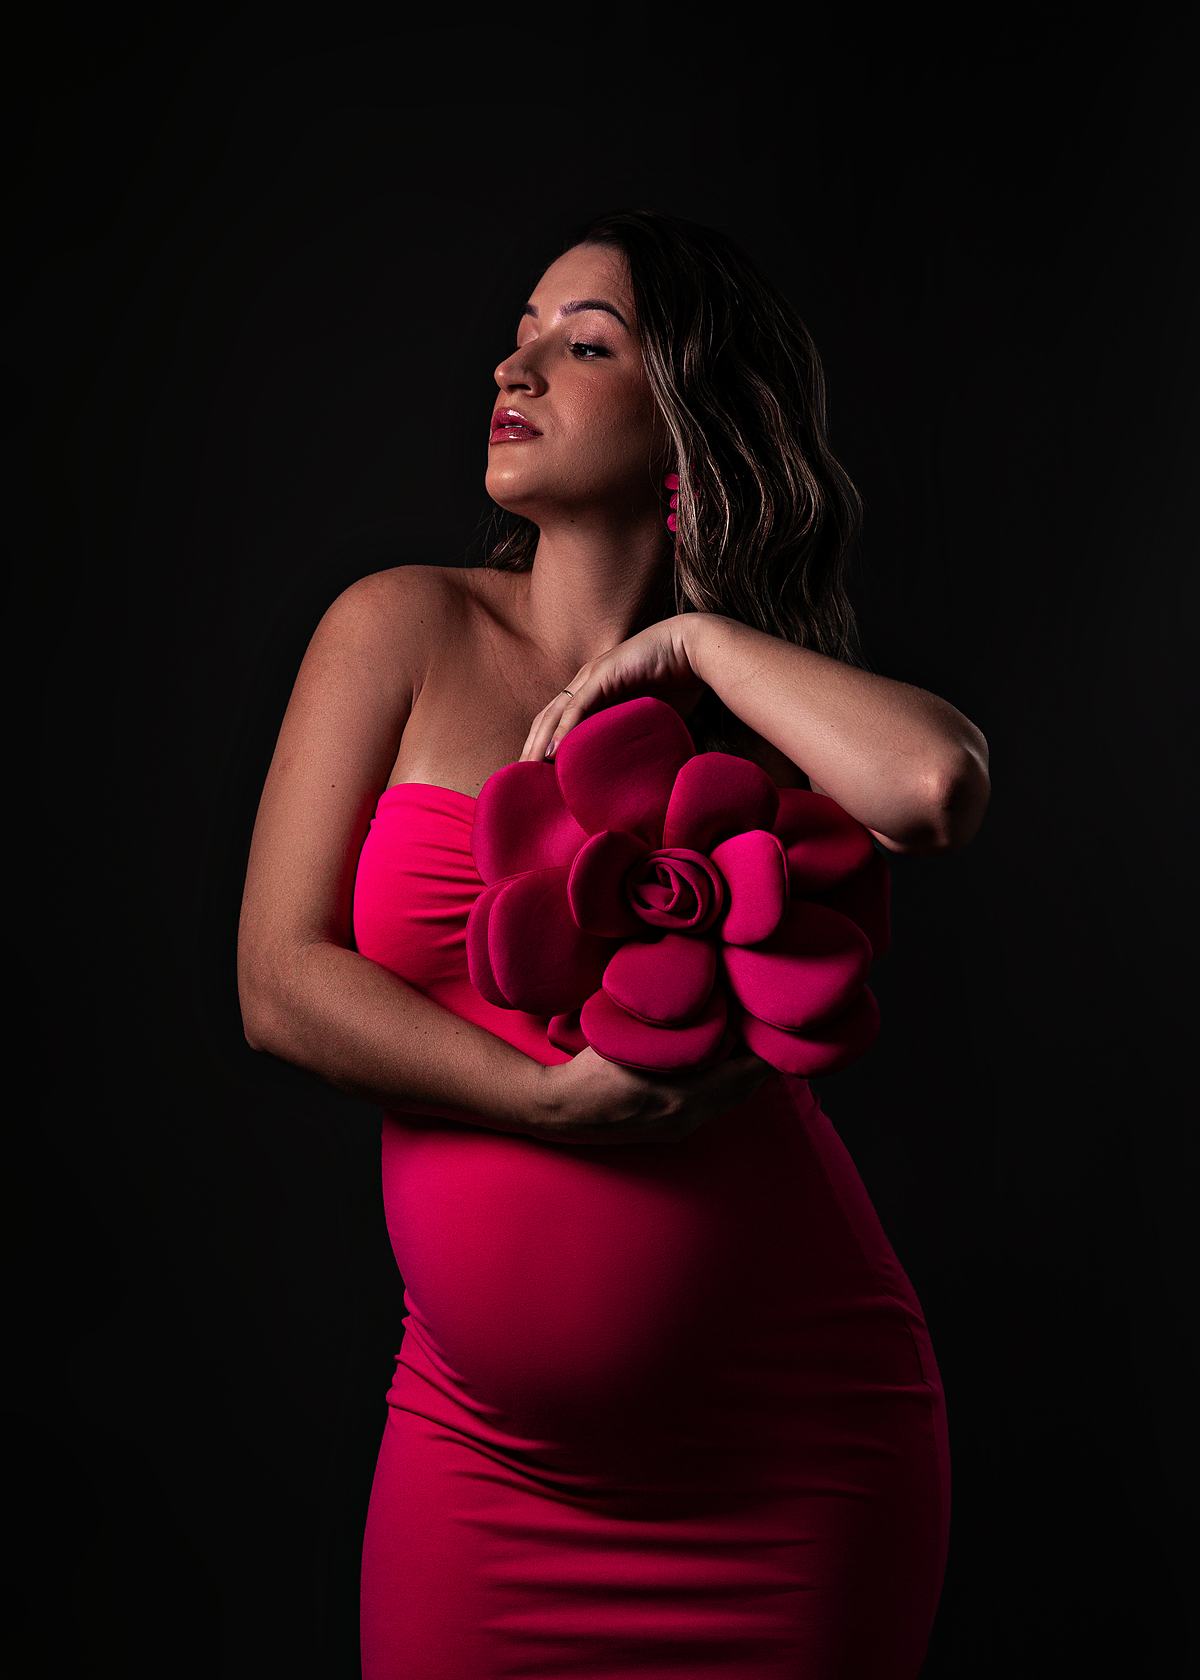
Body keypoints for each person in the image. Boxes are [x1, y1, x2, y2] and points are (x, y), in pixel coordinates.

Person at [237, 208, 990, 1679]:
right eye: (520, 333)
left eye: (584, 345)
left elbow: (934, 785)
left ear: (687, 425)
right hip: (481, 1463)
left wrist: (697, 645)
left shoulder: (749, 705)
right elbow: (280, 984)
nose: (513, 367)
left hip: (794, 1458)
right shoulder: (401, 628)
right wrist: (548, 1105)